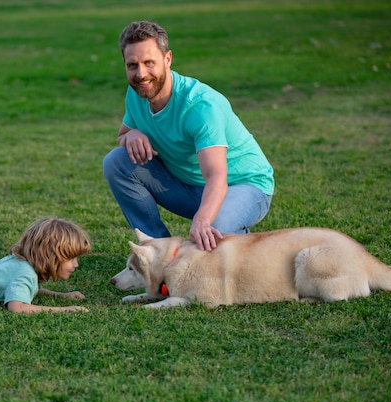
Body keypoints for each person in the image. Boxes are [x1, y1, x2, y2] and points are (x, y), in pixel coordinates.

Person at [103, 20, 275, 251]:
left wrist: (202, 220)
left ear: (168, 59)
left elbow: (216, 176)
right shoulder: (137, 93)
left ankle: (243, 245)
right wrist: (131, 134)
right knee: (116, 162)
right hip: (190, 186)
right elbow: (122, 136)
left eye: (149, 63)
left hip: (242, 185)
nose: (141, 74)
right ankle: (159, 252)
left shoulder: (201, 107)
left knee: (214, 227)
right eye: (132, 65)